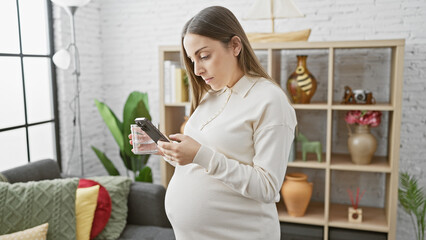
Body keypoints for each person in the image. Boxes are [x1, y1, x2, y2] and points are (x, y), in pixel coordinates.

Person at [131, 6, 297, 240]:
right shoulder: (211, 94)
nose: (197, 70)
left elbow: (267, 187)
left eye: (204, 56)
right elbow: (203, 160)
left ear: (235, 46)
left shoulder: (270, 100)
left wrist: (199, 154)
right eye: (192, 59)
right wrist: (168, 150)